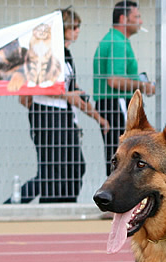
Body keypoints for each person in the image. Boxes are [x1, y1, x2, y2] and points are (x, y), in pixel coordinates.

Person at [12, 7, 110, 203]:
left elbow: (74, 91)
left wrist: (99, 119)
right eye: (74, 27)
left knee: (73, 166)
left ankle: (65, 204)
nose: (77, 32)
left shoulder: (66, 55)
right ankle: (23, 204)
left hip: (64, 117)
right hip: (47, 115)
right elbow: (33, 90)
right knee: (52, 171)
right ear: (63, 29)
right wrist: (65, 96)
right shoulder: (44, 54)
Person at [93, 0, 155, 175]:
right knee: (121, 153)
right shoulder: (117, 42)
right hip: (115, 102)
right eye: (137, 17)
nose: (140, 21)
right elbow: (114, 80)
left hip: (113, 102)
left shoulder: (117, 40)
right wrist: (143, 85)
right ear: (123, 18)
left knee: (118, 152)